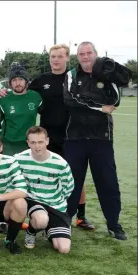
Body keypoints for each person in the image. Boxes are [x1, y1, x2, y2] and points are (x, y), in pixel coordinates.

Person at [63, 41, 132, 240]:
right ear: (77, 56)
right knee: (72, 183)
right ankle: (66, 220)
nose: (85, 57)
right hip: (74, 137)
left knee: (107, 182)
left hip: (101, 138)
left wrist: (85, 99)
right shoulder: (72, 75)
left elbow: (115, 100)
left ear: (95, 54)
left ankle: (113, 224)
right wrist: (98, 106)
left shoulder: (106, 73)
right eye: (81, 53)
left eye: (88, 53)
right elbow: (69, 100)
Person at [28, 44, 94, 230]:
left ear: (67, 58)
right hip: (47, 137)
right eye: (52, 57)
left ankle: (80, 216)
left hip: (73, 136)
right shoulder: (41, 80)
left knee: (76, 176)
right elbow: (23, 94)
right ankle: (40, 211)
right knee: (44, 174)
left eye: (59, 56)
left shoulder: (75, 77)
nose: (55, 60)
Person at [15, 126, 74, 253]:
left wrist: (58, 201)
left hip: (56, 205)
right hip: (34, 201)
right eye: (33, 142)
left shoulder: (60, 163)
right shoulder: (19, 159)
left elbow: (69, 187)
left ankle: (48, 229)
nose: (37, 146)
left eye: (40, 142)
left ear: (47, 141)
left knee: (63, 249)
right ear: (28, 143)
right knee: (41, 219)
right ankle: (31, 231)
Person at [0, 63, 42, 155]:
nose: (18, 83)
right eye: (14, 80)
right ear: (10, 83)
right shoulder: (3, 98)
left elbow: (46, 114)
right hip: (8, 144)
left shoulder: (35, 97)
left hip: (30, 143)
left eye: (21, 79)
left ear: (26, 81)